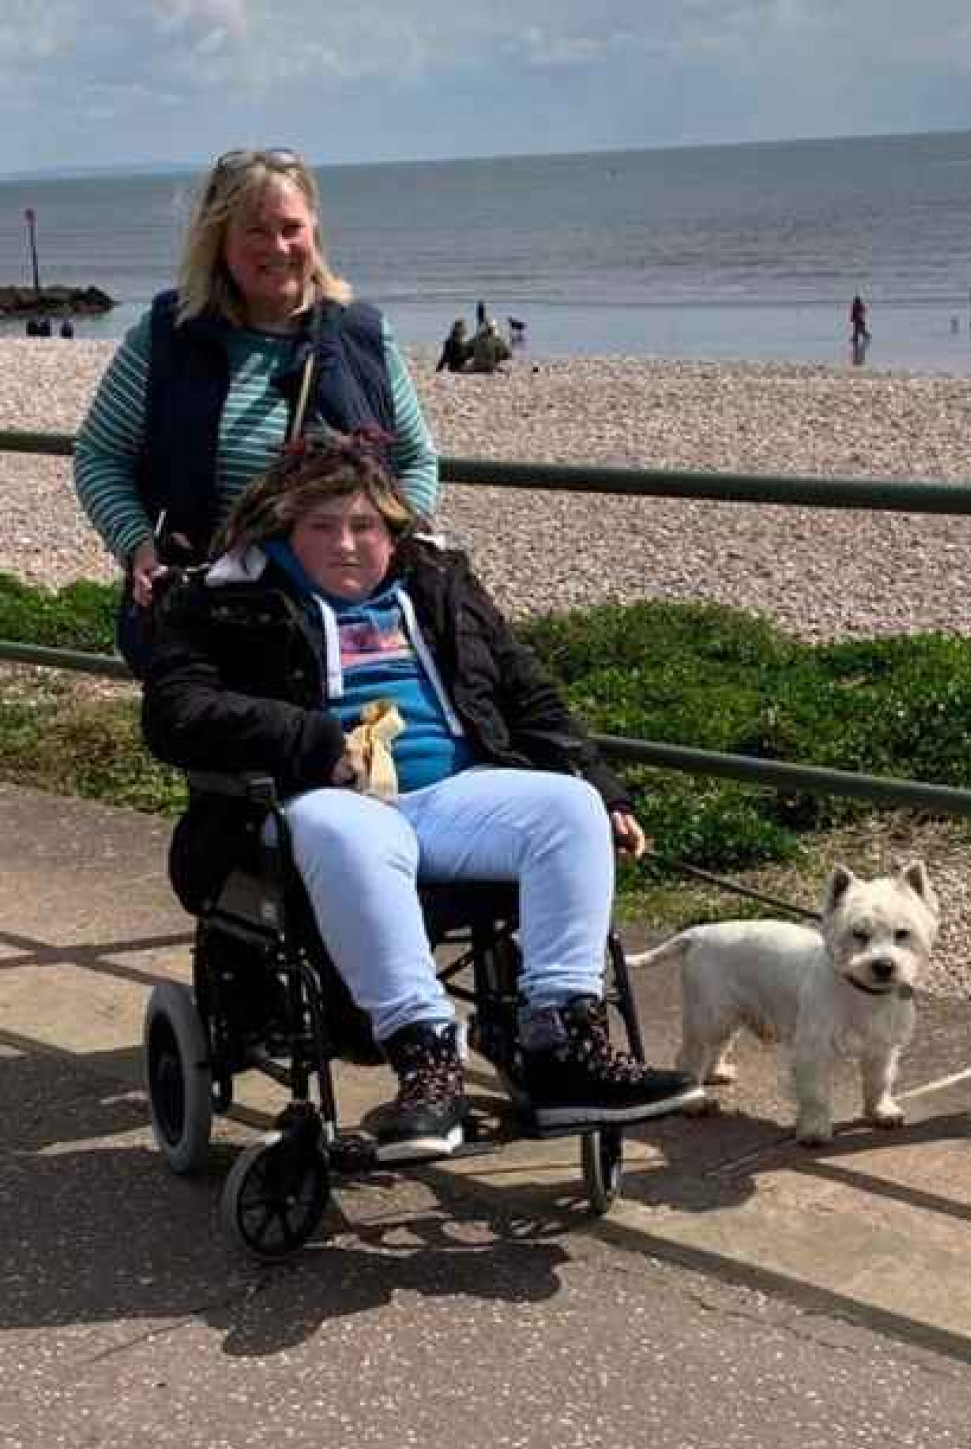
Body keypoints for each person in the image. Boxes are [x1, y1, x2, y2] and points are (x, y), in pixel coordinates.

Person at [141, 432, 698, 1159]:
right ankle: (427, 1062)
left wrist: (598, 781)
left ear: (392, 529)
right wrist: (310, 740)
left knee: (568, 811)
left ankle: (562, 1044)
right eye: (323, 527)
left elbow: (529, 691)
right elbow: (175, 713)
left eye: (365, 526)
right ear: (283, 530)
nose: (347, 544)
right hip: (317, 803)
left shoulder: (438, 583)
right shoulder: (225, 599)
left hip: (453, 792)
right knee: (348, 832)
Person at [73, 147, 438, 671]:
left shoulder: (363, 336)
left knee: (347, 752)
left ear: (314, 230)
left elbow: (416, 460)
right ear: (218, 241)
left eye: (291, 228)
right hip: (212, 627)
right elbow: (98, 456)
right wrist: (137, 546)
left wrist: (397, 541)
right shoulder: (166, 338)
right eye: (256, 231)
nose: (279, 247)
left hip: (345, 627)